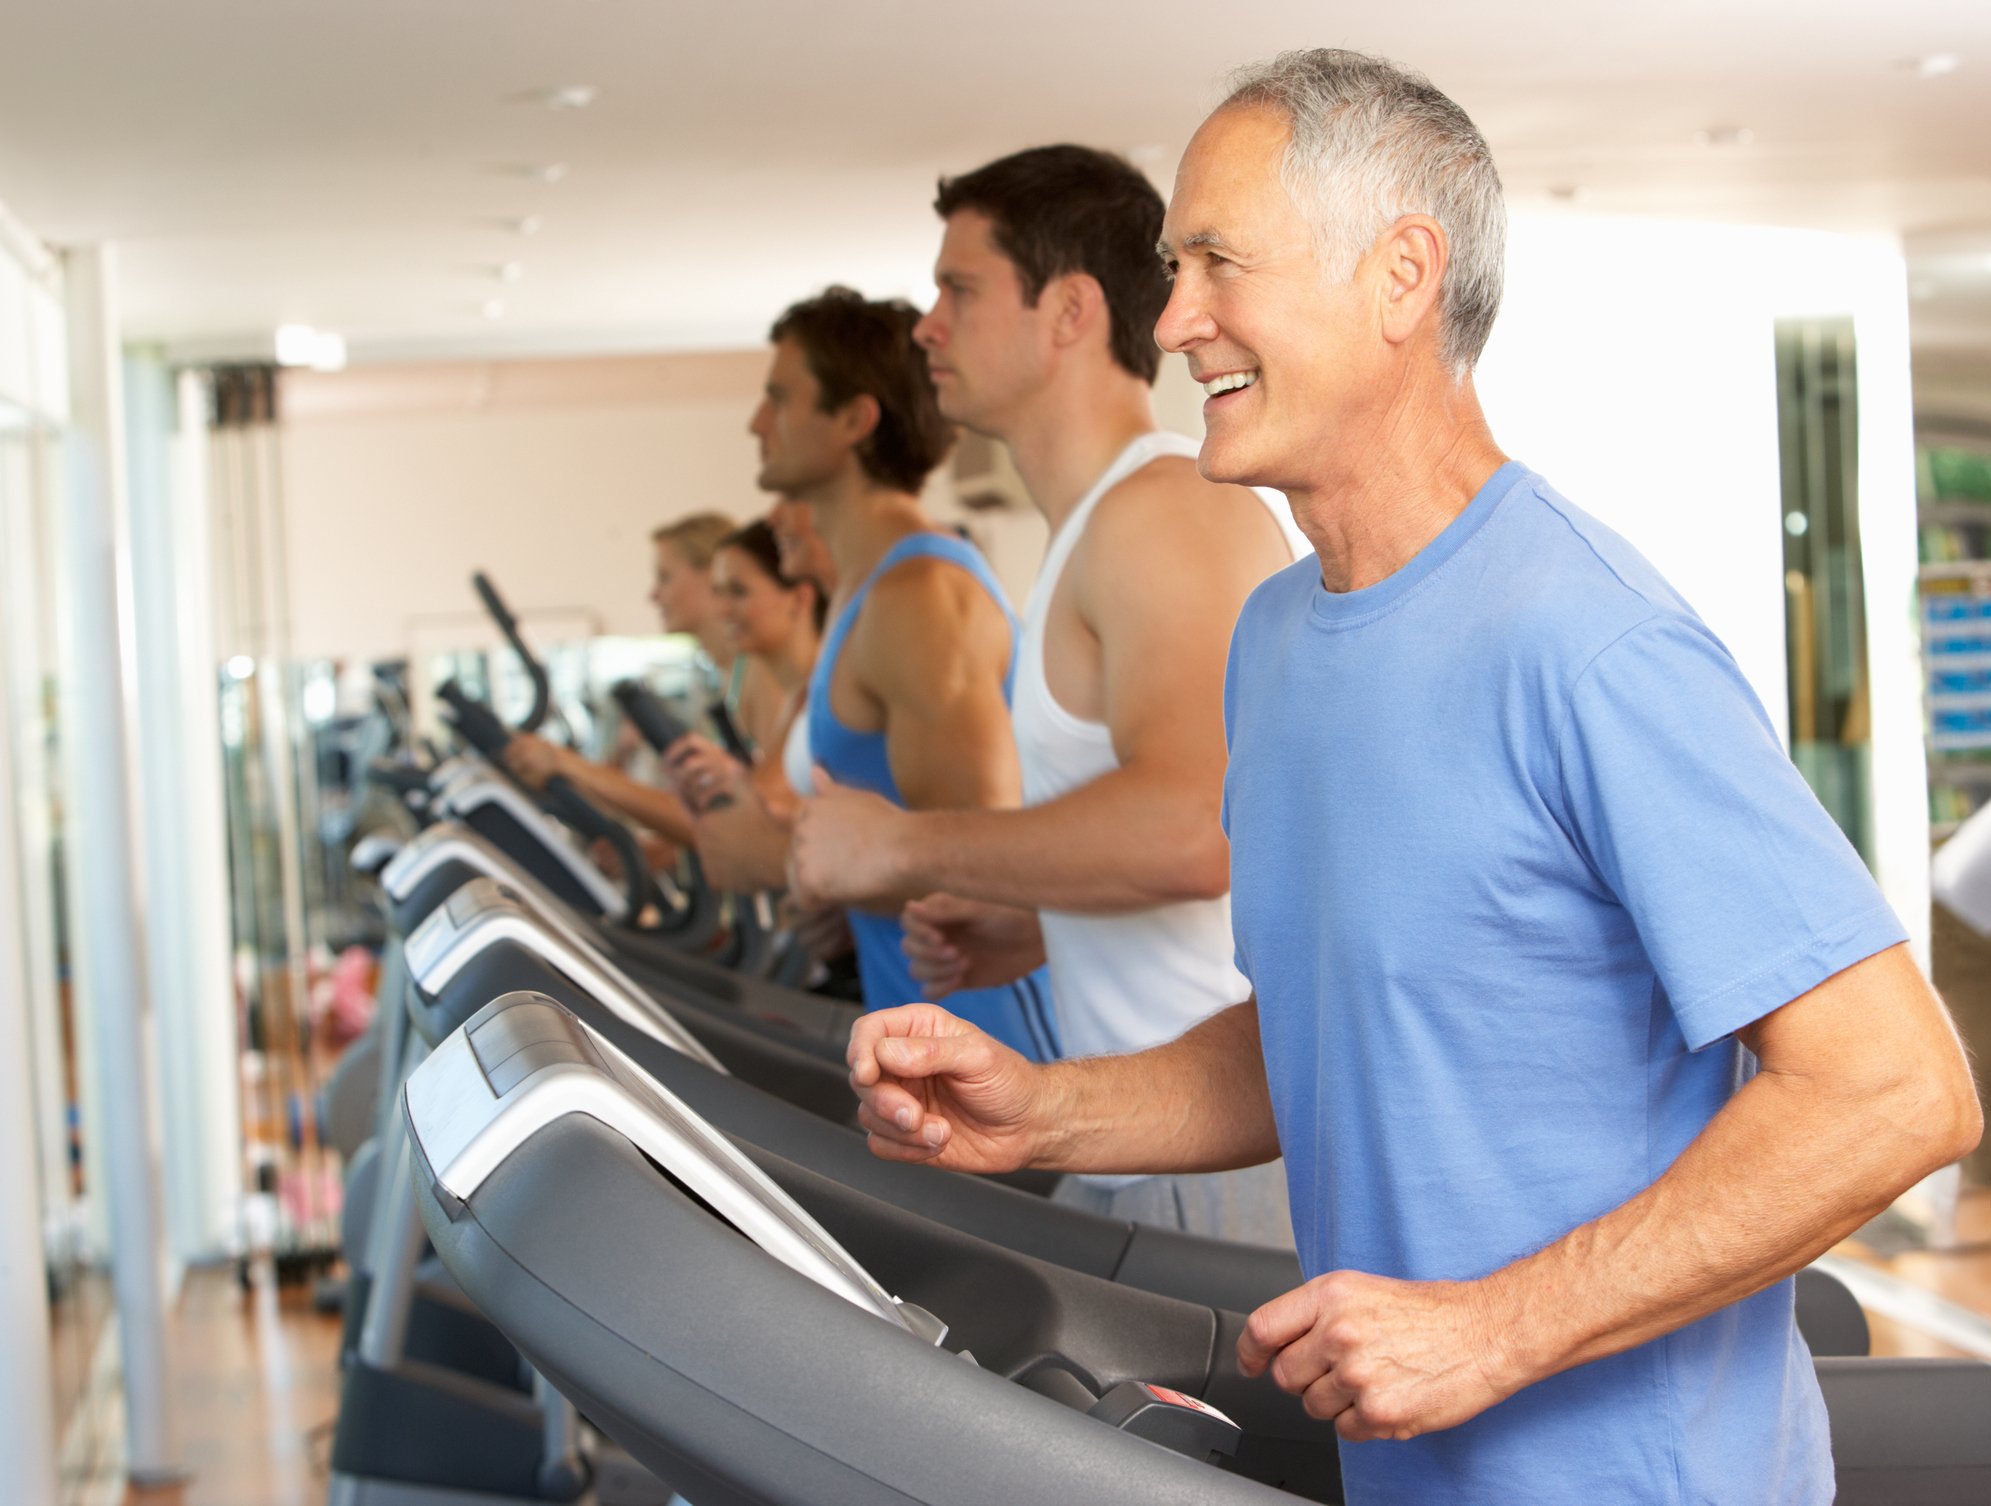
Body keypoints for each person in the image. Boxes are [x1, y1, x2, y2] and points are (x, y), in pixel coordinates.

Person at [844, 48, 1982, 1506]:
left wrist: (1491, 1326)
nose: (1174, 317)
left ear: (1399, 277)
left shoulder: (1586, 642)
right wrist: (1046, 1111)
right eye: (1166, 266)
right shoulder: (1276, 638)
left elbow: (1891, 1086)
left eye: (1214, 263)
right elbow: (1333, 1023)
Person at [787, 145, 1294, 1245]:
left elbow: (1190, 830)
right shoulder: (1098, 528)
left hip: (1219, 1146)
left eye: (958, 291)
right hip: (1140, 1134)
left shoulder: (1161, 515)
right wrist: (1041, 920)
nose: (926, 326)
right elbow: (1204, 852)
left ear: (1068, 311)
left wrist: (900, 848)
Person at [752, 285, 1058, 1059]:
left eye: (778, 398)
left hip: (993, 1046)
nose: (756, 424)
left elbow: (984, 875)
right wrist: (842, 900)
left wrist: (824, 872)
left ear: (854, 419)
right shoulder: (867, 590)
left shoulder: (916, 597)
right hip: (924, 1031)